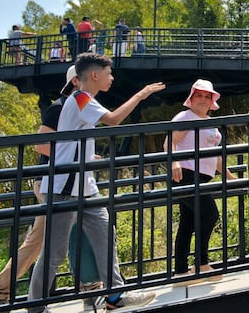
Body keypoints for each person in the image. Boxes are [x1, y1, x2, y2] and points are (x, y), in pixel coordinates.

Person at [27, 53, 165, 312]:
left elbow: (74, 138)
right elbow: (113, 119)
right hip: (64, 188)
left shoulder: (82, 100)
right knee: (54, 253)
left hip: (85, 187)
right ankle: (35, 306)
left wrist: (89, 155)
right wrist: (141, 94)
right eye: (109, 73)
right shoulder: (80, 97)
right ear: (94, 75)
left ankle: (114, 296)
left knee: (105, 235)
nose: (111, 78)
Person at [0, 66, 99, 308]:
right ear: (78, 83)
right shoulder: (60, 107)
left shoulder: (78, 110)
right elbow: (42, 145)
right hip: (53, 182)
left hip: (69, 182)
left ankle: (90, 288)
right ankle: (0, 292)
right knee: (44, 239)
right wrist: (74, 158)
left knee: (75, 233)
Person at [164, 79, 234, 284]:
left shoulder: (210, 123)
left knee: (187, 223)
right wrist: (174, 161)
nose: (203, 100)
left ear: (212, 100)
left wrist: (229, 176)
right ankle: (202, 264)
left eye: (207, 96)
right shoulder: (185, 116)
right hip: (185, 174)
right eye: (199, 95)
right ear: (191, 98)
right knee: (210, 215)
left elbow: (215, 155)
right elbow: (170, 142)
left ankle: (181, 273)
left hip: (202, 177)